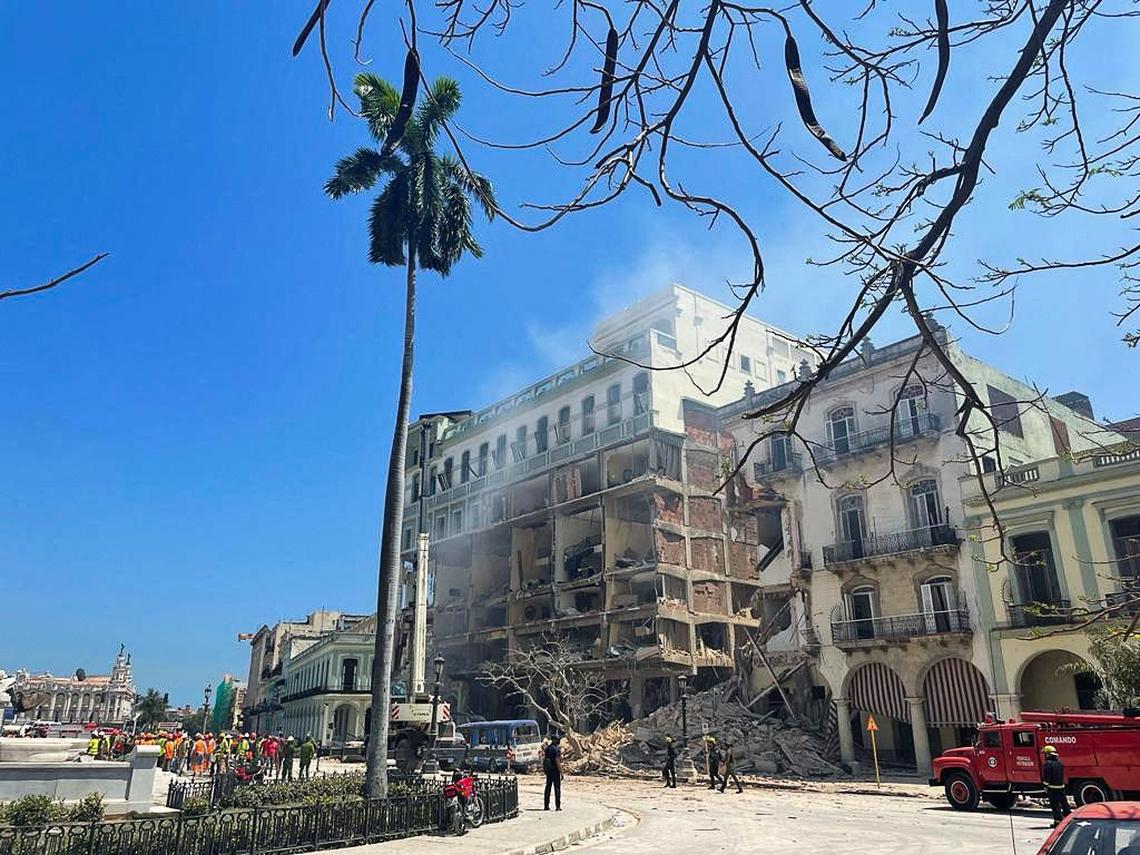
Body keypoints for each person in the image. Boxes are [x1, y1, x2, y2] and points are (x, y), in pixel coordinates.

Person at [1042, 745, 1072, 827]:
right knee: (1065, 804)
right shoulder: (1059, 763)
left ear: (1048, 754)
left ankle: (1058, 822)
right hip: (1061, 787)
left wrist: (1045, 786)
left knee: (1055, 806)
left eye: (1045, 754)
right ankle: (1070, 820)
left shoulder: (1047, 764)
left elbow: (1047, 777)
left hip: (1052, 788)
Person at [542, 733, 563, 811]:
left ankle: (546, 805)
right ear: (554, 740)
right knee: (557, 788)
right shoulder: (556, 749)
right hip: (555, 771)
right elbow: (557, 761)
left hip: (549, 771)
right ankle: (558, 806)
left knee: (548, 788)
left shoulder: (548, 748)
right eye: (557, 739)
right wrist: (561, 772)